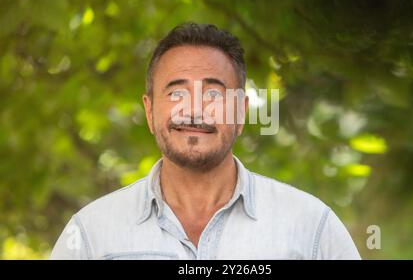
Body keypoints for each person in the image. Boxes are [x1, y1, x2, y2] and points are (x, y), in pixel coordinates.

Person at [50, 22, 361, 259]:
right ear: (149, 110)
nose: (195, 109)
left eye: (214, 93)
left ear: (240, 112)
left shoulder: (312, 227)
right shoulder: (90, 234)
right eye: (176, 93)